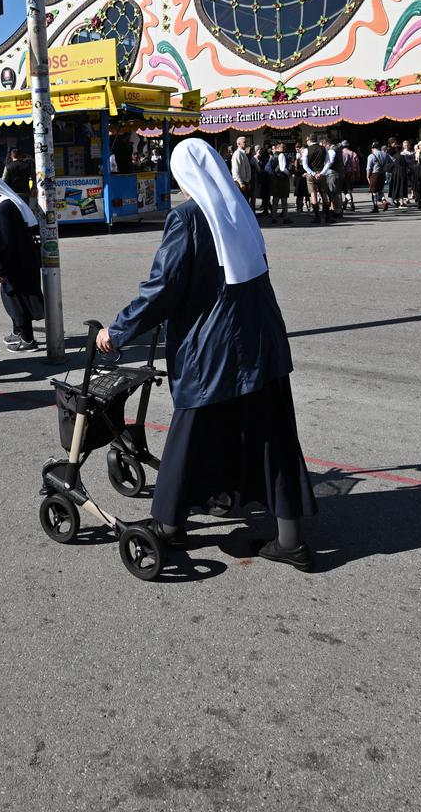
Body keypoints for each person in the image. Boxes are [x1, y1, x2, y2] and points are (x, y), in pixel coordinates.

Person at [98, 140, 317, 568]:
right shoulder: (240, 209)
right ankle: (290, 538)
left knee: (190, 432)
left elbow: (163, 288)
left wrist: (118, 330)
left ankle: (167, 525)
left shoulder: (187, 217)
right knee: (274, 436)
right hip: (264, 343)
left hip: (215, 351)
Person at [0, 174, 44, 352]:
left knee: (15, 299)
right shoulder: (11, 203)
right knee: (17, 297)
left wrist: (0, 269)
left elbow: (5, 243)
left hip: (16, 263)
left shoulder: (3, 209)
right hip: (24, 259)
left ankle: (28, 339)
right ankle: (18, 332)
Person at [263, 141, 293, 224]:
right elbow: (283, 168)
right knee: (283, 200)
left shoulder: (272, 157)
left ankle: (274, 217)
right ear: (278, 148)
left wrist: (273, 175)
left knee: (275, 200)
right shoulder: (281, 155)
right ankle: (286, 218)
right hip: (282, 180)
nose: (284, 148)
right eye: (282, 147)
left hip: (275, 180)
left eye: (284, 147)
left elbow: (268, 168)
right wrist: (289, 173)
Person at [230, 135, 256, 209]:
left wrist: (247, 182)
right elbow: (235, 170)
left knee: (245, 204)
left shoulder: (243, 153)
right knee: (243, 205)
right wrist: (241, 183)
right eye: (244, 142)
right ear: (238, 144)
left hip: (245, 182)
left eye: (247, 142)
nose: (246, 143)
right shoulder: (237, 154)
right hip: (240, 183)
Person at [365, 141, 391, 213]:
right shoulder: (385, 154)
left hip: (374, 174)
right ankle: (384, 201)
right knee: (380, 190)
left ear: (373, 148)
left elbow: (368, 168)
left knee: (373, 191)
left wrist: (367, 176)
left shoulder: (371, 156)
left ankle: (375, 207)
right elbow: (392, 161)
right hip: (382, 174)